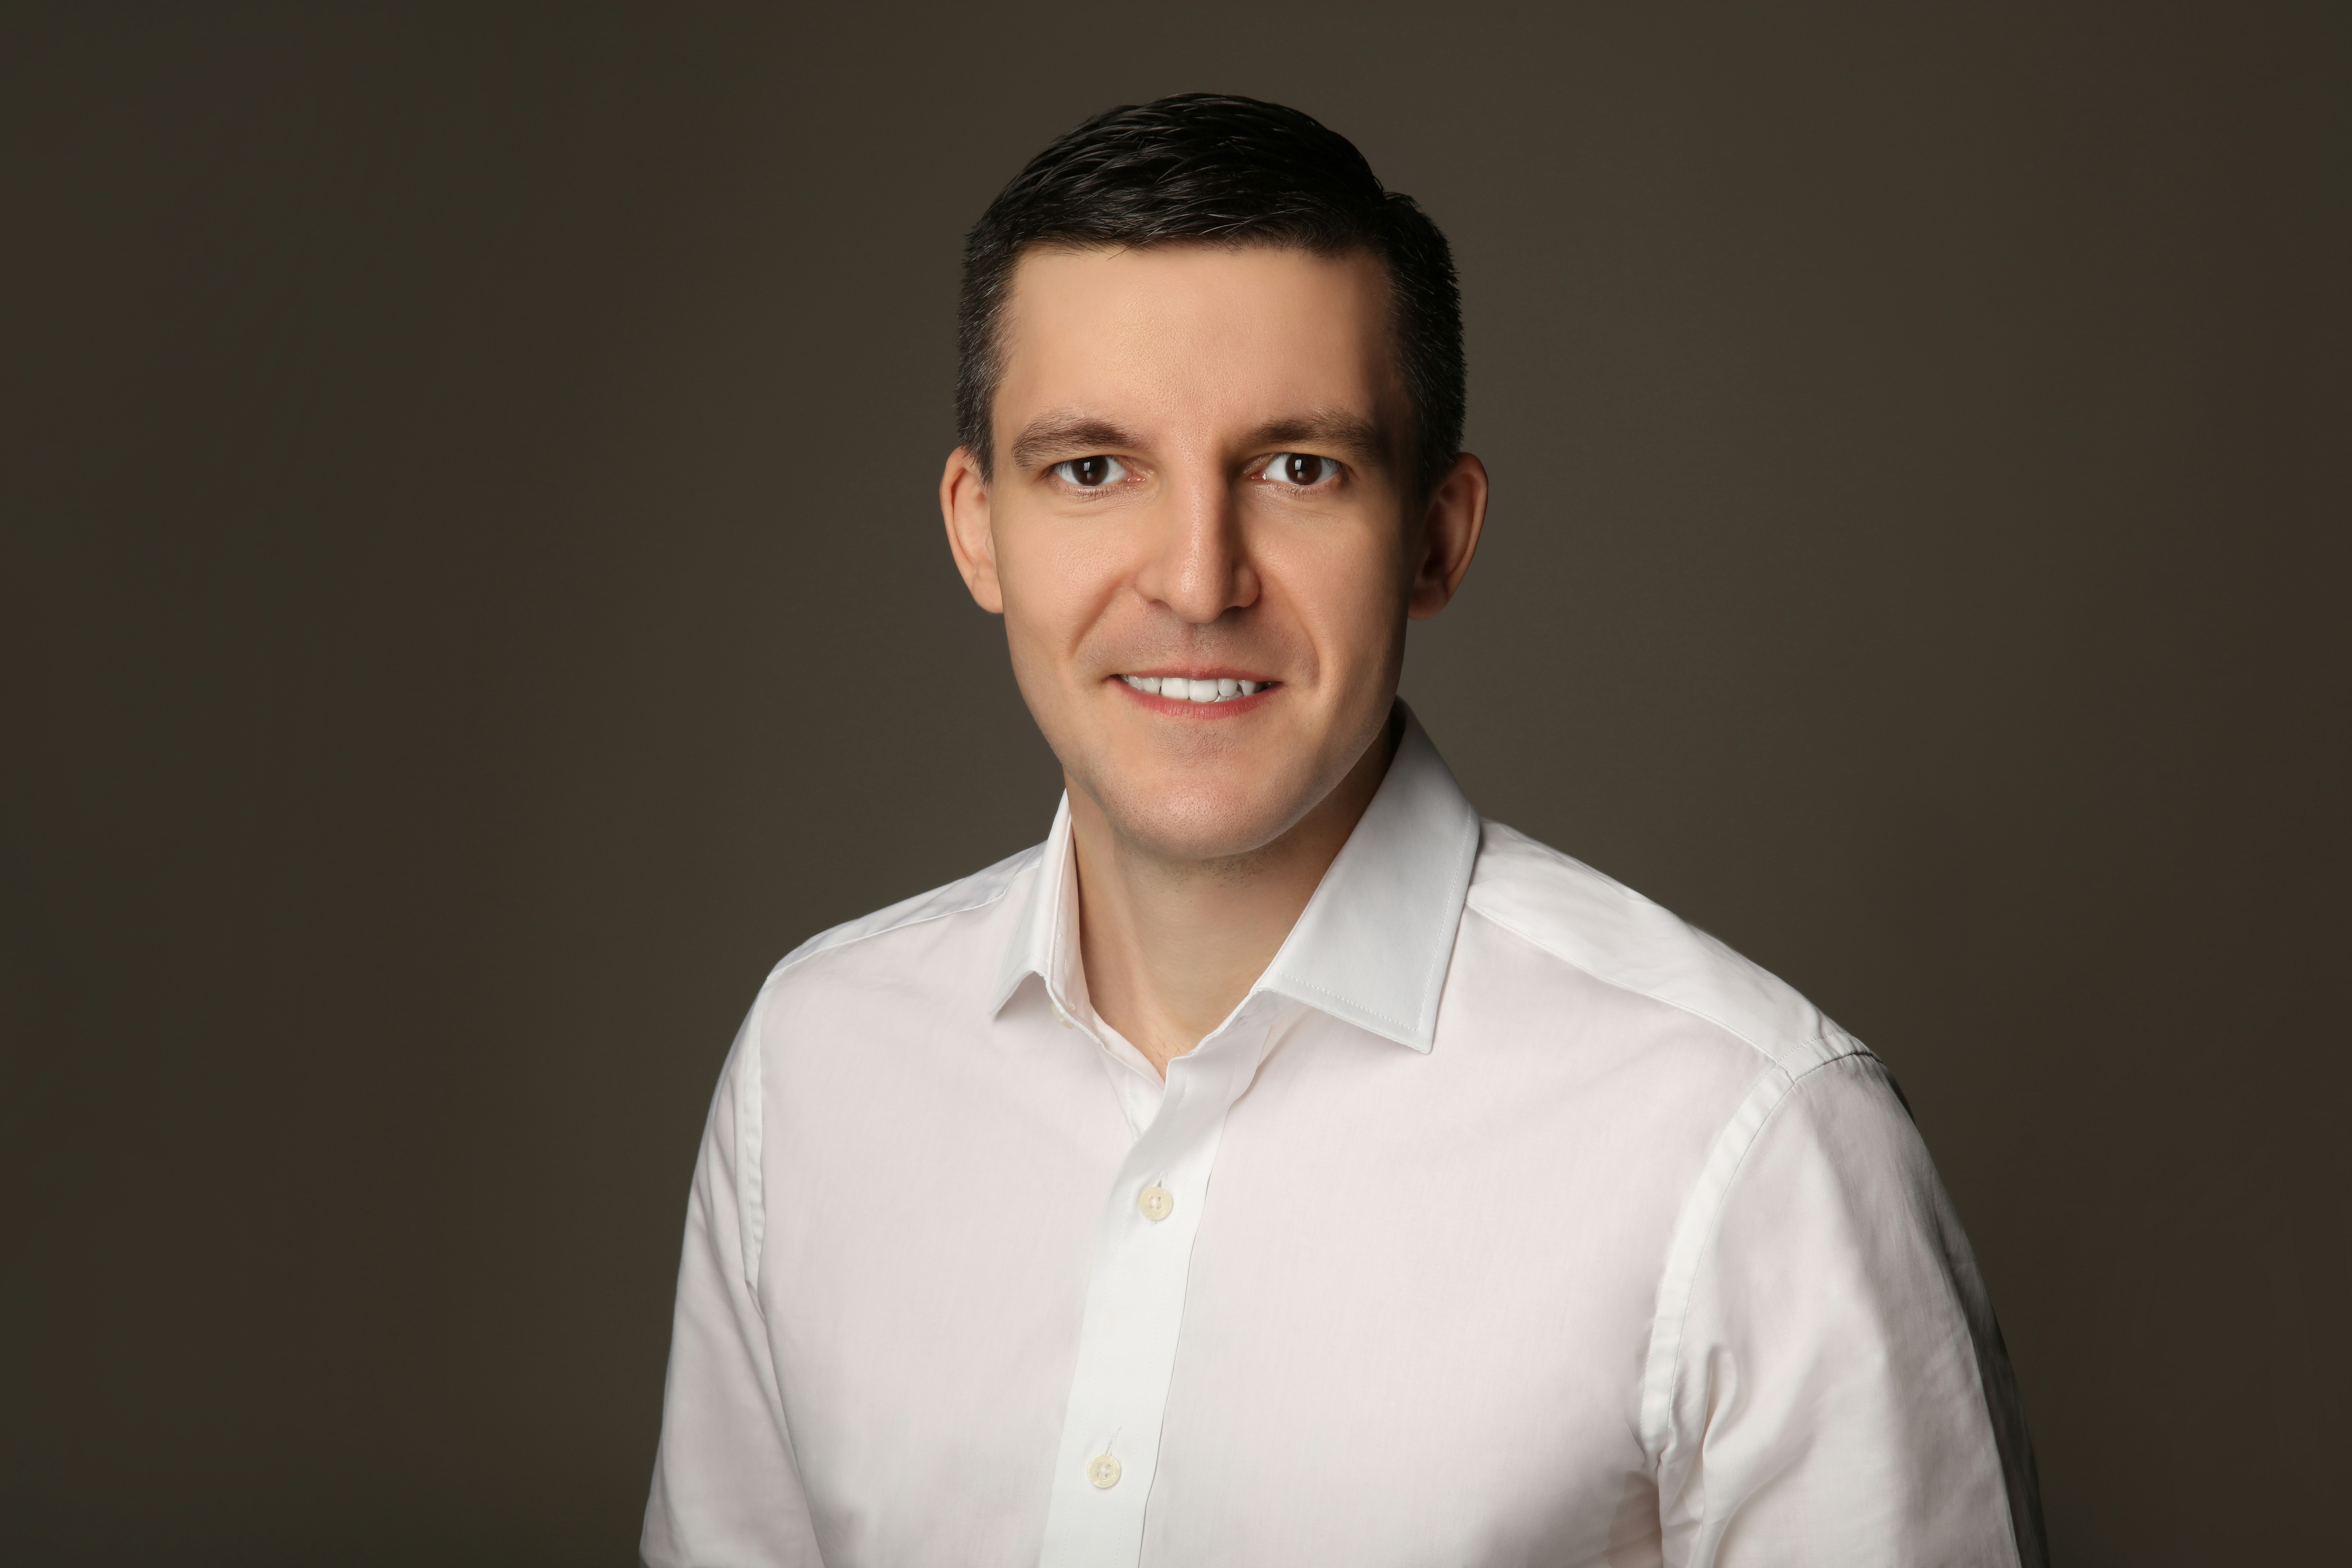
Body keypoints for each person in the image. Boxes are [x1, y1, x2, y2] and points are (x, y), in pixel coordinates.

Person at [640, 94, 2043, 1568]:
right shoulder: (816, 1069)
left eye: (1299, 468)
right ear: (976, 525)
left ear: (1438, 535)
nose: (1197, 581)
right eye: (1094, 468)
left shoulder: (1754, 1147)